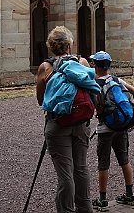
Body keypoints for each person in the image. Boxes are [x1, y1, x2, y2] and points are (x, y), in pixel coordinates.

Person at [35, 26, 97, 213]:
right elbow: (92, 88)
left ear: (51, 47)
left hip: (57, 125)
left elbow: (41, 100)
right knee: (81, 168)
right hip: (81, 123)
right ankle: (85, 209)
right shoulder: (83, 62)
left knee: (65, 174)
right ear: (70, 45)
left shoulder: (45, 67)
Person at [89, 51, 134, 212]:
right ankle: (130, 195)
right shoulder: (116, 80)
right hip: (122, 126)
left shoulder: (95, 84)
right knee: (124, 160)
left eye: (93, 63)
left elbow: (95, 107)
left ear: (96, 66)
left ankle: (103, 200)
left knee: (103, 164)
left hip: (105, 128)